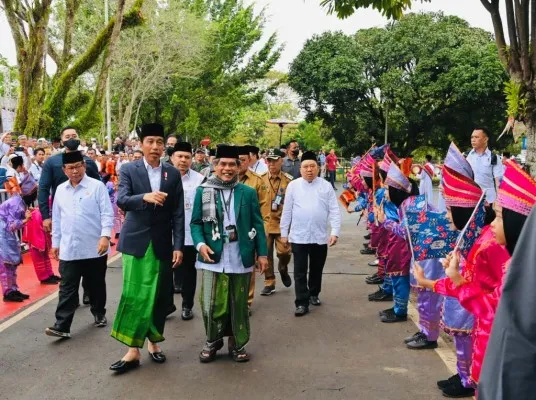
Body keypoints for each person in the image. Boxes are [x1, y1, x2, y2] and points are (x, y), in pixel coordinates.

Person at [110, 123, 184, 373]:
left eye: (159, 142)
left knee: (161, 296)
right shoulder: (129, 169)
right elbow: (121, 199)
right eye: (150, 141)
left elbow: (178, 213)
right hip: (136, 241)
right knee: (134, 294)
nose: (155, 146)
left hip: (163, 243)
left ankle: (154, 343)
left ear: (165, 146)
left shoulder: (172, 174)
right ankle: (132, 350)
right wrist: (145, 197)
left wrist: (178, 246)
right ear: (141, 144)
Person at [191, 145, 268, 363]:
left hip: (239, 255)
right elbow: (196, 223)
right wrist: (199, 245)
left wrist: (262, 254)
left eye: (232, 164)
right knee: (210, 303)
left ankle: (237, 342)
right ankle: (213, 340)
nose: (227, 168)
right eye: (222, 164)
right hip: (211, 256)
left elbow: (257, 224)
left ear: (238, 166)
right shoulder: (204, 191)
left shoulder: (248, 192)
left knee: (238, 302)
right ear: (215, 166)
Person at [44, 151, 114, 338]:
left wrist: (105, 236)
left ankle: (99, 312)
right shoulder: (60, 190)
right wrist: (56, 242)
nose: (75, 171)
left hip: (94, 246)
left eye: (78, 166)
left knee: (96, 284)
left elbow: (107, 213)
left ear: (84, 165)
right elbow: (57, 219)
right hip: (69, 248)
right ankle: (62, 325)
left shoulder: (97, 186)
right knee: (67, 287)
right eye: (70, 168)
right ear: (64, 170)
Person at [478, 186, 536, 399]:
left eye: (500, 217)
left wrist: (455, 282)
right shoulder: (511, 262)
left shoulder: (516, 269)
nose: (492, 223)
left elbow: (493, 308)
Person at [280, 151, 341, 316]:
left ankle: (314, 293)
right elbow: (287, 211)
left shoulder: (325, 186)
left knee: (316, 268)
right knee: (299, 270)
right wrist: (284, 232)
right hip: (299, 236)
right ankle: (301, 302)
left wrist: (334, 231)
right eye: (306, 166)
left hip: (319, 236)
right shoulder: (293, 186)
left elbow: (334, 210)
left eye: (312, 166)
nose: (309, 170)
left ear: (318, 167)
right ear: (300, 169)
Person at [169, 141, 205, 320]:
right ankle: (167, 305)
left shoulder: (199, 179)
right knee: (166, 271)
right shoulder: (162, 176)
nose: (183, 160)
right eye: (179, 156)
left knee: (189, 271)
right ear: (171, 158)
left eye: (187, 157)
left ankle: (187, 305)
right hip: (167, 233)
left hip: (190, 234)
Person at [258, 148, 293, 296]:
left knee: (284, 252)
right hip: (264, 224)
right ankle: (269, 281)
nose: (271, 164)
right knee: (265, 254)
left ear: (281, 161)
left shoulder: (289, 181)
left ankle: (283, 267)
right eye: (269, 161)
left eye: (275, 161)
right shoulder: (260, 180)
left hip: (281, 224)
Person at [237, 146, 268, 311]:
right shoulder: (225, 177)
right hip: (230, 232)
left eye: (243, 160)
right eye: (238, 160)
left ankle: (246, 302)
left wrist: (261, 234)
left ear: (249, 160)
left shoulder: (257, 180)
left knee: (249, 267)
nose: (240, 163)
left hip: (250, 232)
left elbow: (264, 209)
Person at [0, 162, 36, 302]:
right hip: (2, 233)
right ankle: (8, 293)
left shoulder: (20, 202)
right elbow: (11, 225)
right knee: (6, 264)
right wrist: (25, 220)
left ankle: (13, 289)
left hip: (6, 234)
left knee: (12, 263)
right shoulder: (16, 204)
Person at [466, 128, 503, 204]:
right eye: (472, 137)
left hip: (489, 200)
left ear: (485, 139)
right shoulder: (467, 156)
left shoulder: (494, 158)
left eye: (476, 137)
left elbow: (498, 181)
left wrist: (499, 201)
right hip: (469, 200)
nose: (473, 140)